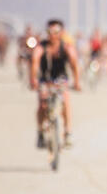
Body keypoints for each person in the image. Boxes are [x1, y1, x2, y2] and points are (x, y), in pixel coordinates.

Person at [30, 19, 81, 149]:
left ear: (61, 33)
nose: (52, 35)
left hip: (60, 80)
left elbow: (74, 65)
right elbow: (35, 62)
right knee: (42, 104)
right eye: (49, 31)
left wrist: (77, 82)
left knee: (65, 101)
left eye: (56, 31)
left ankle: (68, 132)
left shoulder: (67, 47)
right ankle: (40, 131)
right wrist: (33, 80)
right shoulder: (41, 47)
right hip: (45, 80)